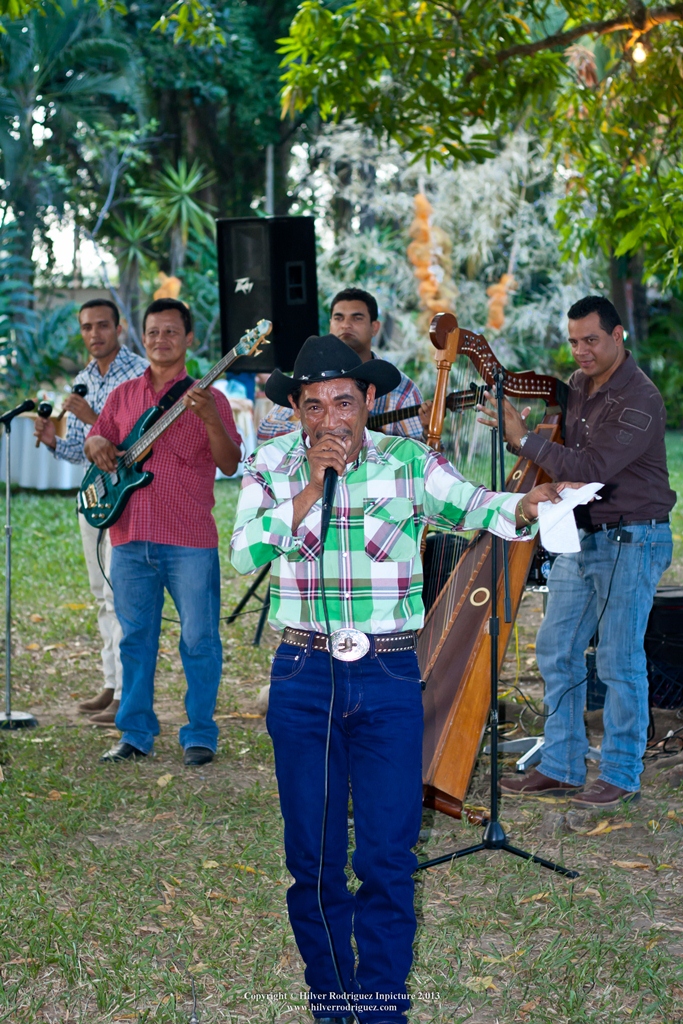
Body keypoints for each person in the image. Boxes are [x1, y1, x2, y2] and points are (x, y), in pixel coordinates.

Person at [231, 334, 577, 1024]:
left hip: (387, 673)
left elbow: (476, 504)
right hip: (303, 672)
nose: (329, 418)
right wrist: (311, 489)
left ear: (368, 398)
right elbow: (245, 551)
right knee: (314, 861)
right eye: (312, 405)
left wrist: (526, 504)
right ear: (296, 411)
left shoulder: (409, 462)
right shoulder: (270, 464)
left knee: (387, 856)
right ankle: (333, 1002)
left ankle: (382, 1006)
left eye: (342, 401)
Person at [478, 295, 676, 809]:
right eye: (573, 341)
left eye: (590, 340)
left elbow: (591, 467)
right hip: (581, 533)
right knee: (556, 648)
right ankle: (561, 765)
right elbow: (570, 458)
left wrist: (524, 440)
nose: (581, 351)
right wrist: (524, 436)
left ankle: (621, 774)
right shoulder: (580, 386)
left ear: (618, 336)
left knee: (618, 658)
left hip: (633, 537)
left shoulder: (640, 397)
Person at [84, 298, 242, 766]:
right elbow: (97, 438)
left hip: (189, 539)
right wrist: (96, 442)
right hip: (129, 537)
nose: (161, 340)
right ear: (142, 337)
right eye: (153, 332)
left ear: (189, 338)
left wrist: (209, 418)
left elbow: (230, 463)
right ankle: (135, 733)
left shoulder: (210, 398)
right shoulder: (122, 395)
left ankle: (200, 734)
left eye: (171, 331)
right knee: (135, 640)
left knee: (199, 640)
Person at [34, 299, 147, 725]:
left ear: (119, 328)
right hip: (94, 496)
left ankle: (126, 693)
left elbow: (137, 444)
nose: (94, 334)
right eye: (86, 327)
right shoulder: (83, 378)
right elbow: (82, 449)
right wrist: (53, 439)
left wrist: (93, 417)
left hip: (126, 496)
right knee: (101, 594)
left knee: (122, 595)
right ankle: (109, 684)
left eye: (102, 325)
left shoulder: (139, 373)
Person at [256, 287, 432, 443]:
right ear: (330, 325)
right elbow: (265, 432)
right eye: (338, 318)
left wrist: (427, 433)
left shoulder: (402, 390)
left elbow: (418, 455)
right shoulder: (309, 376)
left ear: (375, 327)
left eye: (357, 318)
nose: (346, 325)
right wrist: (314, 428)